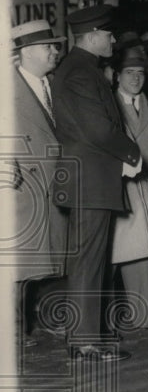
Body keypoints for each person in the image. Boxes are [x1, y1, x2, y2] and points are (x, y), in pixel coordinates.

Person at [51, 4, 142, 361]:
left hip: (90, 178)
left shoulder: (80, 69)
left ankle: (84, 337)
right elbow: (99, 129)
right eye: (109, 34)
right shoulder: (81, 73)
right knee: (89, 261)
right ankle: (85, 341)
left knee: (89, 260)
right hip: (91, 179)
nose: (113, 40)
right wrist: (132, 153)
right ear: (92, 36)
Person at [8, 20, 70, 339]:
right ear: (28, 52)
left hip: (56, 183)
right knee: (18, 266)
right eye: (48, 46)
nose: (54, 51)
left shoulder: (55, 84)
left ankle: (50, 317)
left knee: (53, 257)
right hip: (22, 187)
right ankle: (14, 332)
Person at [111, 52, 148, 333]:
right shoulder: (106, 106)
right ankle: (103, 318)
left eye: (140, 73)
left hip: (144, 189)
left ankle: (146, 313)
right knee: (108, 253)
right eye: (129, 73)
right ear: (117, 76)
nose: (135, 79)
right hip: (114, 188)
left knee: (143, 254)